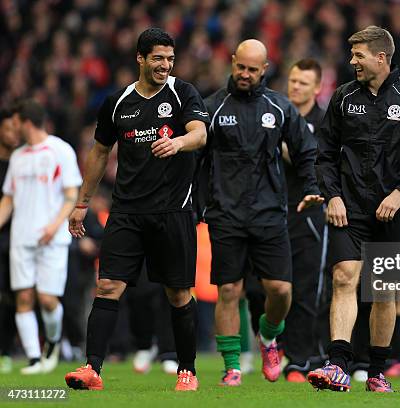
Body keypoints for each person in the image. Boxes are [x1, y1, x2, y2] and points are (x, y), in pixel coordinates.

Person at [64, 27, 208, 391]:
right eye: (158, 58)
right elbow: (99, 152)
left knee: (177, 293)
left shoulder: (182, 93)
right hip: (126, 210)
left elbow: (200, 134)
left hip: (172, 210)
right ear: (140, 59)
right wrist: (82, 202)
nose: (165, 65)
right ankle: (92, 368)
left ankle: (186, 370)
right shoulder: (117, 102)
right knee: (108, 285)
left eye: (170, 59)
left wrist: (178, 144)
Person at [307, 25, 400, 393]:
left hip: (392, 210)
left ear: (381, 58)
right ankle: (337, 365)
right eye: (352, 56)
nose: (352, 62)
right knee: (344, 277)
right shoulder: (343, 97)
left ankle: (377, 371)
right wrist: (332, 195)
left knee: (383, 291)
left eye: (359, 56)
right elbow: (324, 154)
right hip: (347, 207)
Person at [202, 39, 322, 387]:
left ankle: (269, 337)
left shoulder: (280, 107)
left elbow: (306, 150)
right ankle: (232, 366)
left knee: (281, 290)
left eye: (253, 70)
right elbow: (196, 158)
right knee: (229, 291)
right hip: (225, 213)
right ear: (233, 61)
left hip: (270, 212)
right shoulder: (212, 107)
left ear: (264, 70)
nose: (245, 74)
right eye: (241, 67)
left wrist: (313, 185)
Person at [0, 100, 82, 375]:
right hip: (21, 239)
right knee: (23, 298)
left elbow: (72, 193)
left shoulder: (61, 151)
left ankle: (54, 340)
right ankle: (34, 359)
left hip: (52, 238)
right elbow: (8, 200)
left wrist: (54, 225)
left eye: (15, 124)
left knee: (47, 299)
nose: (13, 130)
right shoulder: (18, 157)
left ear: (26, 123)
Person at [283, 58, 328, 382]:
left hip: (308, 213)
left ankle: (298, 359)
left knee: (306, 289)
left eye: (303, 82)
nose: (296, 87)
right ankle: (274, 342)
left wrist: (294, 153)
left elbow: (324, 167)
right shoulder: (273, 115)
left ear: (316, 88)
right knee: (263, 289)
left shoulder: (326, 123)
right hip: (268, 211)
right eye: (293, 80)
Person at [0, 108, 20, 374]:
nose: (13, 134)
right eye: (7, 129)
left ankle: (6, 349)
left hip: (19, 237)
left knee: (16, 297)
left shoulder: (24, 161)